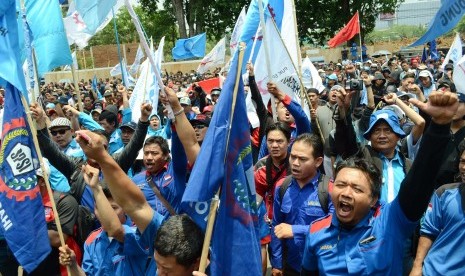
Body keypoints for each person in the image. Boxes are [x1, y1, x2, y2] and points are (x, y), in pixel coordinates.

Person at [301, 91, 459, 275]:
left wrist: (439, 126)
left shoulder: (389, 222)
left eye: (357, 188)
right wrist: (343, 114)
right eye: (341, 185)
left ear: (374, 198)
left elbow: (419, 183)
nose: (346, 193)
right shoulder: (316, 232)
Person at [72, 128, 204, 276]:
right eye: (156, 265)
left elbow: (117, 229)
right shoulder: (157, 234)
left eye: (167, 271)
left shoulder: (216, 264)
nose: (158, 274)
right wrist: (101, 156)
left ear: (196, 265)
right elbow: (135, 205)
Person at [58, 165, 150, 275]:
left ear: (126, 208)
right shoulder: (91, 241)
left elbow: (116, 230)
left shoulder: (139, 235)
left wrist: (96, 188)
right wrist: (73, 265)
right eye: (98, 207)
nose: (104, 214)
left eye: (113, 208)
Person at [270, 134, 332, 275]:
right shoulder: (282, 186)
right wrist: (277, 263)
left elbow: (334, 228)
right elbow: (277, 225)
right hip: (291, 265)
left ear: (318, 162)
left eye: (302, 159)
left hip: (321, 266)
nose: (295, 163)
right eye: (293, 157)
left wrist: (296, 230)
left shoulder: (329, 189)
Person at [410, 142, 465, 276]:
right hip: (434, 271)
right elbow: (428, 232)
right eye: (463, 161)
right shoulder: (444, 193)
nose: (464, 167)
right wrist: (417, 267)